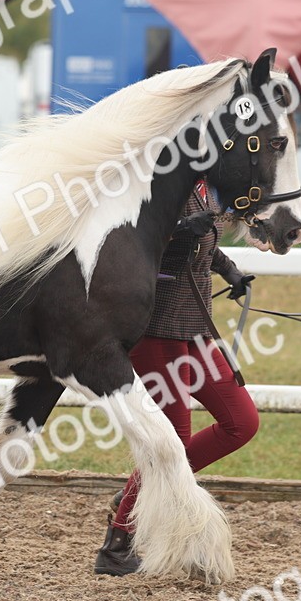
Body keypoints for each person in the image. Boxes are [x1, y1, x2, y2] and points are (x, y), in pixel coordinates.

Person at [94, 178, 259, 576]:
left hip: (197, 326)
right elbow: (142, 248)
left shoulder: (204, 185)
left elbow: (207, 242)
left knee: (241, 422)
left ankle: (139, 491)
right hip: (160, 327)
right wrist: (184, 232)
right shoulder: (160, 183)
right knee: (173, 444)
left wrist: (230, 271)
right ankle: (119, 542)